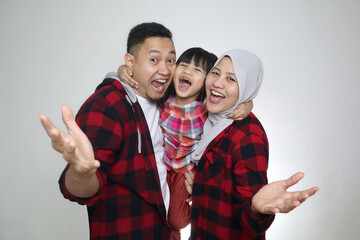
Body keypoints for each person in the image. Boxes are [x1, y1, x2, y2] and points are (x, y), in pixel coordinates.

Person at [185, 49, 319, 239]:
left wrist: (256, 209)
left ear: (247, 88)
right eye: (215, 73)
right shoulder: (206, 120)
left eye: (231, 79)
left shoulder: (248, 136)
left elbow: (249, 223)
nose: (217, 83)